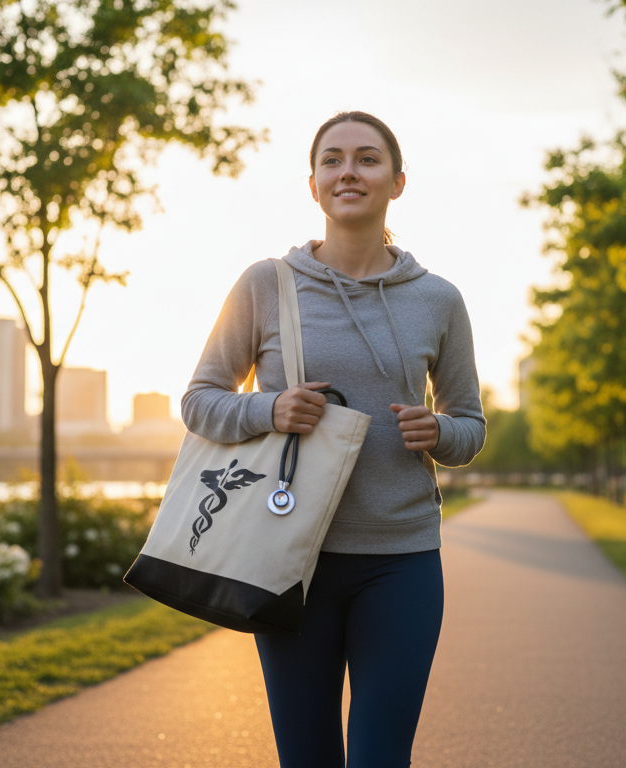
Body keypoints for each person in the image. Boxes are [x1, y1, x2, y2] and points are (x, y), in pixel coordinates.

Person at [181, 111, 486, 767]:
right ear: (314, 184)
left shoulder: (438, 299)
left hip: (401, 560)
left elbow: (470, 426)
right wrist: (269, 409)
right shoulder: (266, 284)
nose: (349, 171)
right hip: (288, 558)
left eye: (368, 159)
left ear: (397, 182)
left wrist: (439, 431)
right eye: (333, 160)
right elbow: (200, 401)